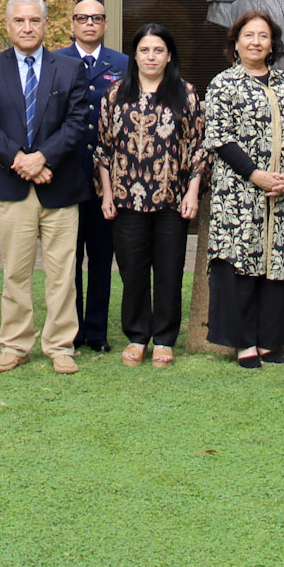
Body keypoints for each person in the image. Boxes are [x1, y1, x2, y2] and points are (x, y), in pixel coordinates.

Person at [0, 0, 89, 373]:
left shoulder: (70, 68)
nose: (27, 28)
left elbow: (76, 123)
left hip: (59, 186)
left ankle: (60, 346)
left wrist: (44, 158)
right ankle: (14, 344)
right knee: (15, 272)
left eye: (34, 21)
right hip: (12, 186)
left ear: (46, 25)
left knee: (62, 273)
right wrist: (21, 161)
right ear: (8, 27)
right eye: (20, 21)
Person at [95, 23, 206, 366]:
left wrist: (192, 192)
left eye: (158, 50)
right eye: (144, 50)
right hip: (126, 198)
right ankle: (138, 335)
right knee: (132, 270)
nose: (151, 56)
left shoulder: (185, 94)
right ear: (135, 55)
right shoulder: (115, 94)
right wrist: (106, 194)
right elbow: (103, 148)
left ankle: (165, 338)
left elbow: (198, 147)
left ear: (169, 55)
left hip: (171, 199)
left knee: (170, 269)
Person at [202, 10, 284, 367]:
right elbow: (219, 137)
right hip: (238, 192)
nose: (256, 42)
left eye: (263, 36)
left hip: (281, 190)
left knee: (275, 263)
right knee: (239, 264)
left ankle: (270, 340)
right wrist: (255, 174)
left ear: (272, 44)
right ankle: (243, 341)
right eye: (248, 35)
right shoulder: (223, 83)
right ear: (236, 42)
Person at [58, 0, 129, 354]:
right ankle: (70, 329)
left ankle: (97, 332)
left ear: (104, 23)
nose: (89, 24)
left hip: (107, 180)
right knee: (67, 260)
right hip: (66, 176)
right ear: (71, 23)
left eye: (96, 18)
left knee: (102, 258)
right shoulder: (56, 60)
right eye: (82, 18)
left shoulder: (121, 64)